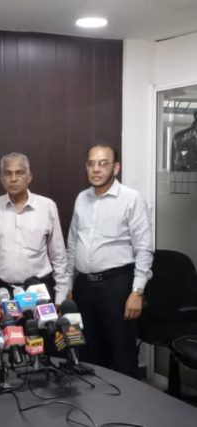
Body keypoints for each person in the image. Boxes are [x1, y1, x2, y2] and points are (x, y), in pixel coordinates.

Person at [66, 144, 154, 378]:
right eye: (91, 163)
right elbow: (73, 244)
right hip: (84, 286)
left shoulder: (131, 198)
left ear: (115, 168)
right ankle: (96, 401)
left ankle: (129, 401)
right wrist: (69, 284)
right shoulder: (81, 198)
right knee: (89, 352)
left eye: (103, 163)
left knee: (122, 353)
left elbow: (144, 249)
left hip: (118, 286)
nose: (96, 169)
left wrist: (137, 292)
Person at [0, 152, 68, 305]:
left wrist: (61, 296)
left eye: (19, 173)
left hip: (38, 290)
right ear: (1, 178)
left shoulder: (47, 207)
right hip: (0, 291)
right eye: (8, 173)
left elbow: (58, 255)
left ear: (29, 177)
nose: (13, 179)